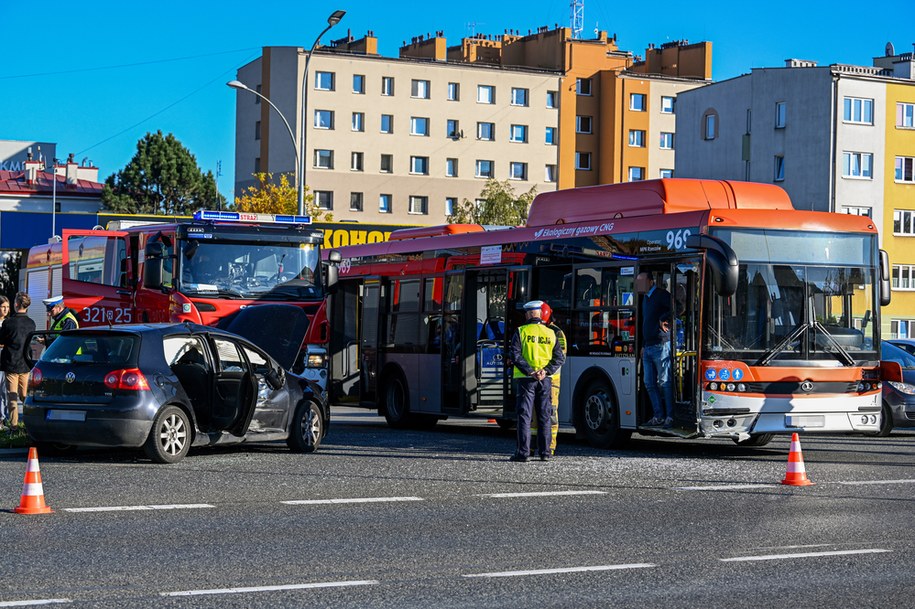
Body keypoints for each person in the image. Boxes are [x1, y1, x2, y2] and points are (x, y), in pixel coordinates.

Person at [508, 300, 565, 462]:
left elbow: (515, 355)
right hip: (545, 380)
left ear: (528, 314)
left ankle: (523, 453)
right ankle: (545, 453)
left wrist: (530, 371)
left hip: (527, 380)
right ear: (539, 314)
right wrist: (545, 371)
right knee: (544, 416)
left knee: (525, 416)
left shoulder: (521, 331)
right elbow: (559, 357)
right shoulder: (551, 333)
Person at [636, 271, 674, 428]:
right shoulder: (645, 298)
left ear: (651, 282)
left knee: (664, 382)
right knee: (649, 383)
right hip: (648, 346)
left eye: (641, 281)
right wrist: (643, 345)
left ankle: (670, 416)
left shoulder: (661, 294)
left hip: (660, 344)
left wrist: (663, 319)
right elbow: (646, 322)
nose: (639, 285)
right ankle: (658, 416)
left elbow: (678, 307)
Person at [530, 302, 566, 456]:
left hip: (550, 379)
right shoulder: (549, 331)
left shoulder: (556, 333)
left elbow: (561, 356)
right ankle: (534, 446)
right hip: (544, 377)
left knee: (548, 413)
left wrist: (544, 371)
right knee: (535, 415)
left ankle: (549, 447)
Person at [0, 293, 36, 429]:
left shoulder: (8, 323)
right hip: (25, 364)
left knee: (12, 397)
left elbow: (1, 339)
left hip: (11, 363)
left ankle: (14, 426)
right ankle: (29, 424)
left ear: (16, 304)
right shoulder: (31, 323)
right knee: (24, 396)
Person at [0, 295, 9, 428]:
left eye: (7, 307)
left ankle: (3, 418)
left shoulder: (8, 322)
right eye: (3, 307)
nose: (6, 309)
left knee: (4, 392)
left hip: (5, 360)